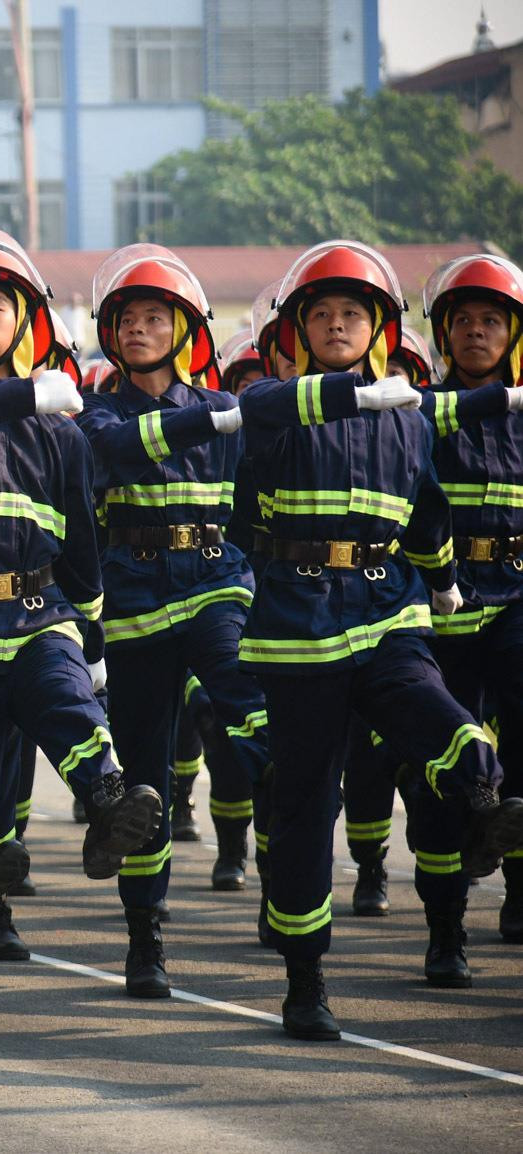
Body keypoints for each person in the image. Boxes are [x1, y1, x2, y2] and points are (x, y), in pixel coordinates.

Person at [237, 240, 523, 1037]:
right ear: (297, 329)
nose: (336, 324)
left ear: (379, 329)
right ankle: (304, 981)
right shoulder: (273, 408)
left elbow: (426, 506)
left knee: (437, 711)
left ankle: (483, 800)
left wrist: (438, 583)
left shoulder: (403, 416)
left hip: (386, 613)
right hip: (297, 635)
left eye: (351, 314)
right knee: (301, 812)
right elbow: (238, 509)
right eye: (321, 314)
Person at [0, 225, 162, 1052]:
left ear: (23, 323)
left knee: (64, 695)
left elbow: (81, 545)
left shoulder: (62, 433)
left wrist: (93, 636)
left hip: (37, 616)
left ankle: (111, 801)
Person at [79, 244, 268, 997]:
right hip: (132, 606)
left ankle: (283, 784)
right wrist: (219, 419)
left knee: (240, 689)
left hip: (215, 584)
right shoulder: (96, 412)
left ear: (183, 329)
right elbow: (117, 450)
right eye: (125, 318)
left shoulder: (222, 408)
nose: (136, 329)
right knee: (146, 781)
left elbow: (252, 501)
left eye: (154, 318)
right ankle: (144, 938)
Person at [418, 253, 523, 952]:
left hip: (516, 594)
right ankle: (444, 924)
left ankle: (517, 892)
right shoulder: (419, 414)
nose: (476, 333)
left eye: (491, 321)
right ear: (443, 334)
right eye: (462, 321)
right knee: (441, 758)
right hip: (442, 603)